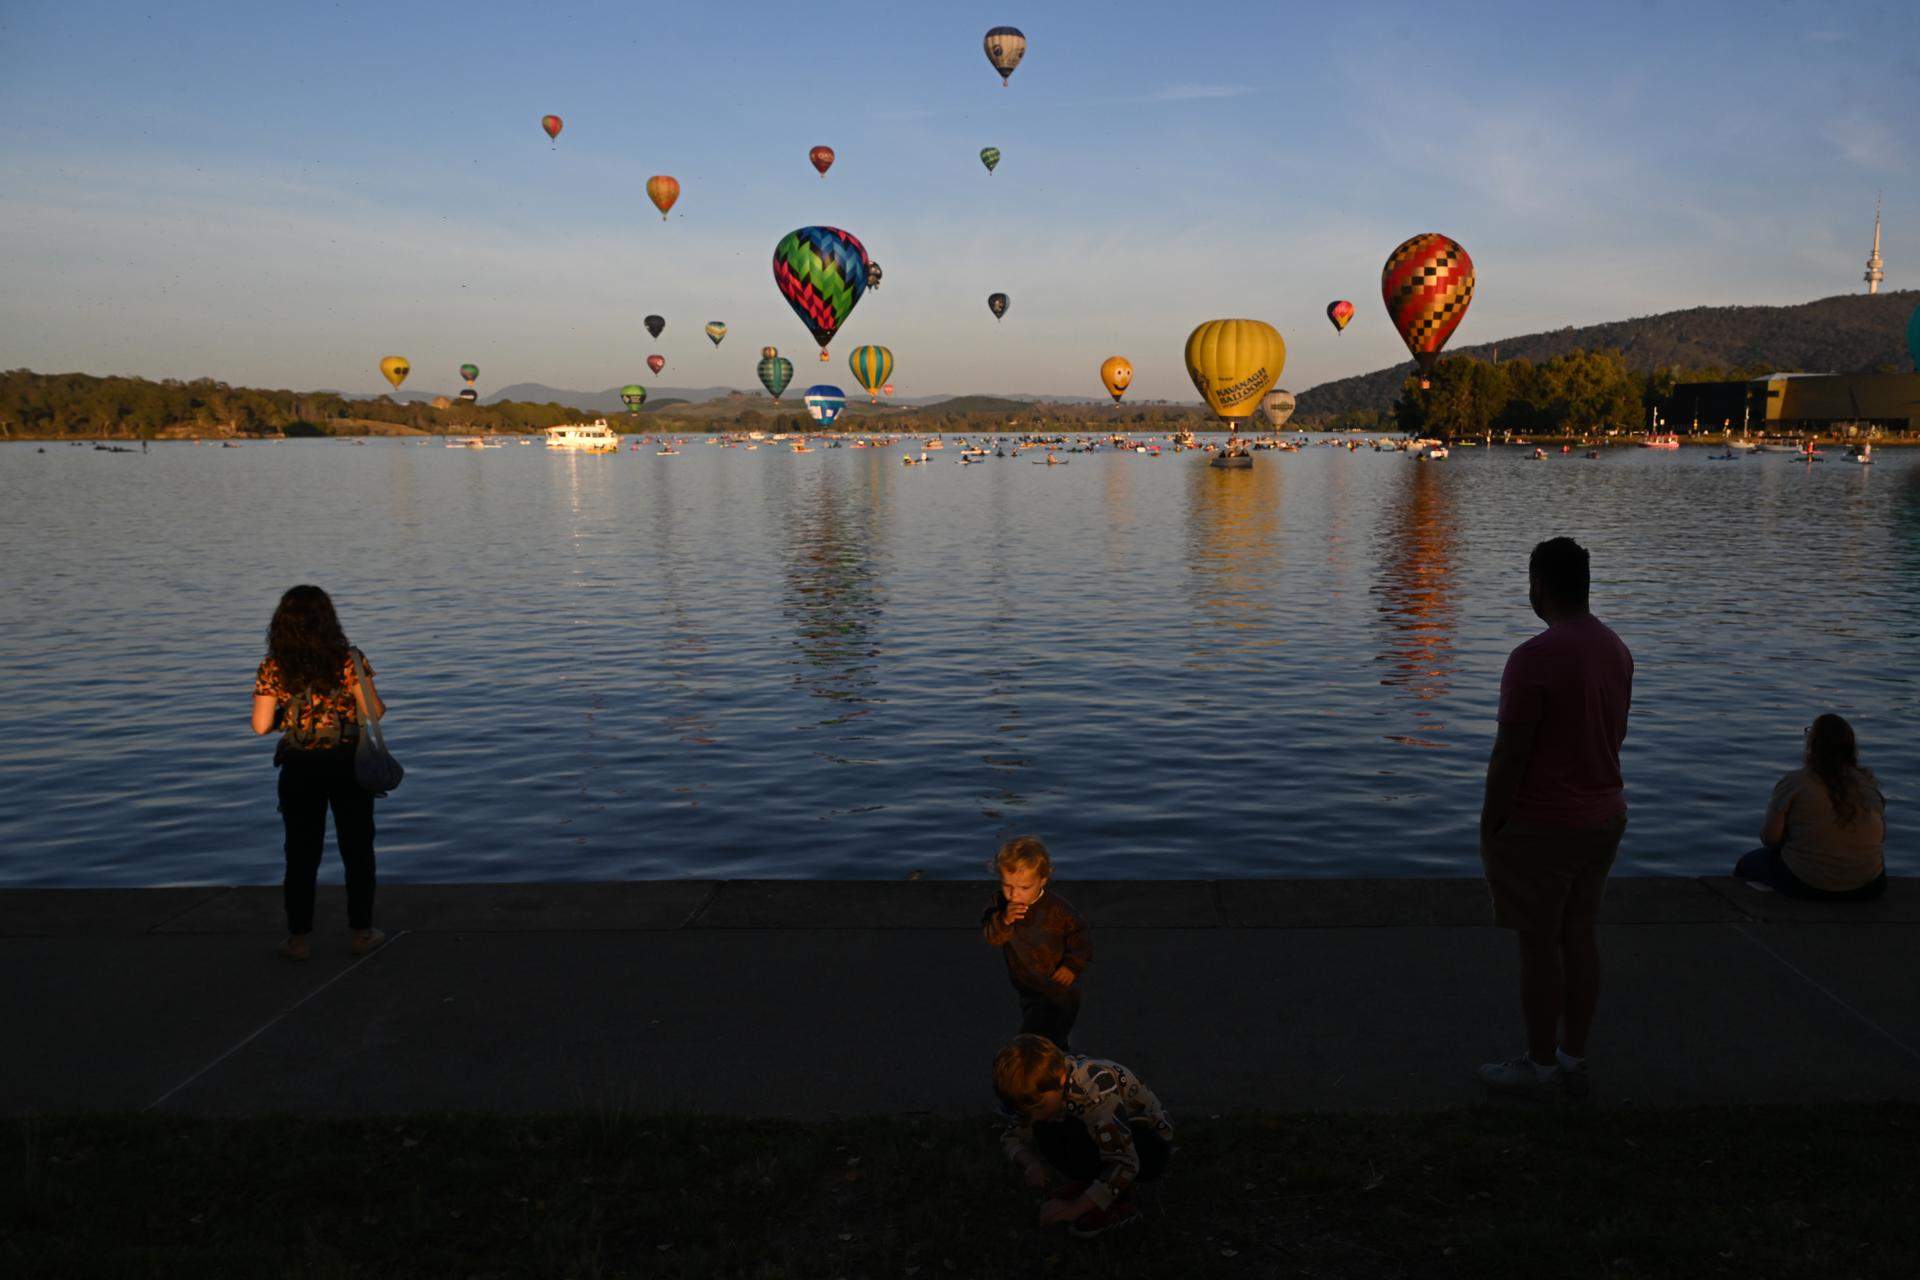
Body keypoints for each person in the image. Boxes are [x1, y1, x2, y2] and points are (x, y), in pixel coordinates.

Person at [1478, 537, 1633, 1098]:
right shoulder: (1615, 649)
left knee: (1539, 946)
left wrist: (1490, 825)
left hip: (1546, 823)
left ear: (1539, 584)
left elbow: (1510, 754)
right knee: (1581, 935)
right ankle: (1573, 1055)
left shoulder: (1533, 658)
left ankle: (1539, 1063)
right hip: (1604, 815)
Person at [250, 585, 387, 961]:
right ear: (329, 619)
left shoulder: (273, 666)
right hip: (347, 765)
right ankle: (362, 932)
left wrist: (288, 716)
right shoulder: (349, 660)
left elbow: (260, 726)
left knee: (300, 853)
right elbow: (374, 710)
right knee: (357, 849)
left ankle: (298, 940)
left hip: (299, 768)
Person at [994, 1034, 1174, 1239]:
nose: (1033, 1115)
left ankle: (1117, 1203)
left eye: (1039, 1106)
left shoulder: (1095, 1091)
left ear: (1061, 1078)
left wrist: (1074, 1209)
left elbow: (1125, 1163)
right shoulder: (1041, 1089)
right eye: (1026, 1110)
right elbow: (1012, 1136)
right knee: (1046, 1126)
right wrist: (1030, 1163)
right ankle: (1093, 1185)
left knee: (1071, 1131)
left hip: (1148, 1144)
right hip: (1105, 1136)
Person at [1734, 715, 1886, 901]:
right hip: (1869, 886)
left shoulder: (1795, 782)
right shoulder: (1868, 784)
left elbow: (1770, 839)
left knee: (1746, 864)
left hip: (1807, 884)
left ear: (1813, 744)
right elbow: (1881, 836)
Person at [982, 836, 1091, 1050]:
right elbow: (993, 937)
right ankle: (1055, 1055)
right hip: (1027, 985)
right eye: (1008, 886)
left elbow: (1081, 936)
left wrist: (1072, 965)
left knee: (1036, 1038)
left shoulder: (1057, 910)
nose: (1015, 894)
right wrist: (1004, 920)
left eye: (1024, 887)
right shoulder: (1000, 906)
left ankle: (1050, 1065)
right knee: (1041, 1032)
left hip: (1059, 986)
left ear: (1043, 879)